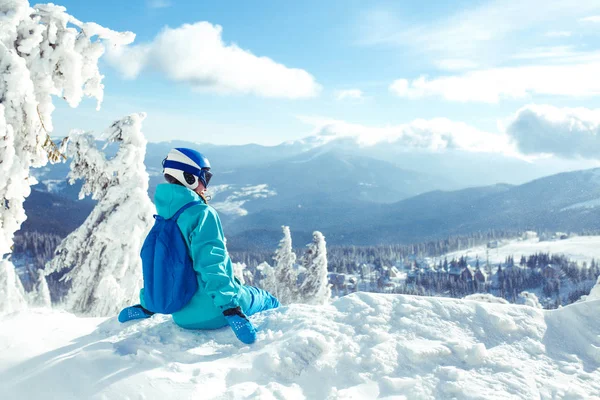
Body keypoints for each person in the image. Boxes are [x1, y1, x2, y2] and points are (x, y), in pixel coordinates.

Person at [118, 148, 280, 344]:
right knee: (266, 298)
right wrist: (231, 308)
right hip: (214, 312)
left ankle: (146, 307)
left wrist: (147, 304)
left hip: (181, 315)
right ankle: (279, 315)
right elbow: (211, 263)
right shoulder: (201, 214)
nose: (206, 184)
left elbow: (159, 264)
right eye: (205, 177)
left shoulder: (163, 215)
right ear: (189, 178)